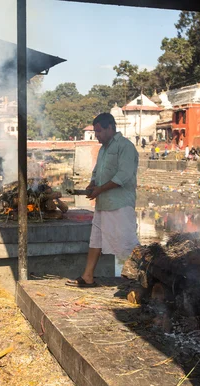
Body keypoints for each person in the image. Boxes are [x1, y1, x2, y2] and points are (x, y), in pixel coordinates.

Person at [67, 113, 139, 287]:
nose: (96, 135)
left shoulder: (125, 147)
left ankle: (134, 281)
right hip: (103, 203)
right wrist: (93, 185)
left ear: (110, 128)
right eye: (95, 132)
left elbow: (123, 176)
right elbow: (96, 172)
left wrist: (100, 189)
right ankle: (88, 276)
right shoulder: (103, 149)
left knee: (126, 243)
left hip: (119, 204)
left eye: (99, 131)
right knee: (96, 241)